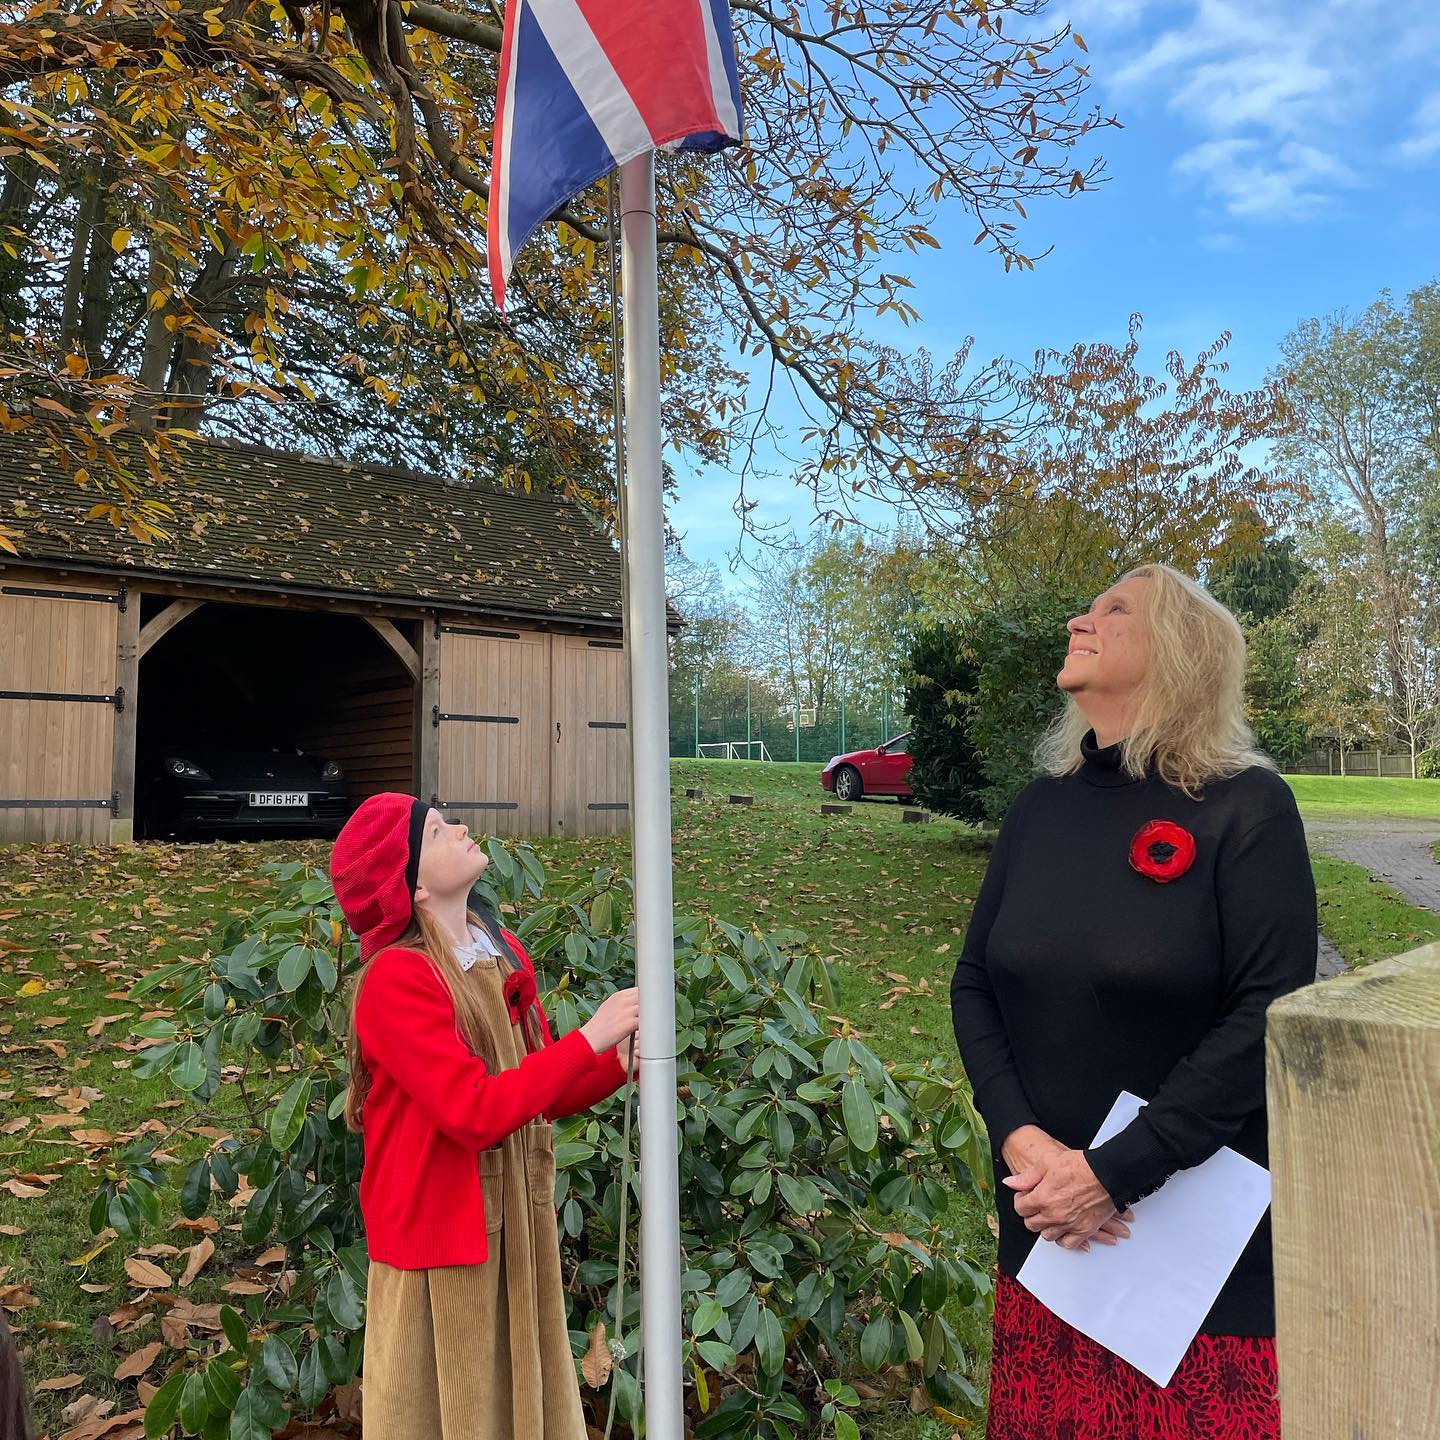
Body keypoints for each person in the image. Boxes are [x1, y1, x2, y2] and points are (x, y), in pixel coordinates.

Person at [951, 564, 1317, 1440]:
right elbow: (974, 983)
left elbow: (1268, 1013)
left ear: (1182, 654)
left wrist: (1114, 1174)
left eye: (1117, 608)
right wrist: (1022, 1140)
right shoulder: (1040, 810)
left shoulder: (1248, 808)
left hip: (1193, 1276)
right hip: (1049, 1240)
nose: (1084, 617)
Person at [331, 793, 638, 1440]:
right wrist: (592, 1036)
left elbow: (540, 1092)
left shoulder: (498, 952)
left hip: (511, 1229)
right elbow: (471, 1111)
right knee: (452, 1415)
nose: (462, 829)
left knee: (515, 1413)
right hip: (440, 1248)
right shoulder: (396, 980)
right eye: (438, 831)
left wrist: (616, 1063)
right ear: (410, 883)